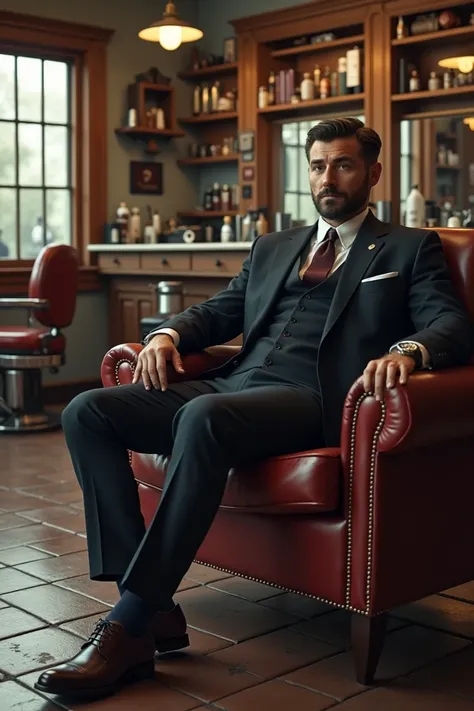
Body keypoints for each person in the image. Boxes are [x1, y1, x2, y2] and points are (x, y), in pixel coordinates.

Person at [36, 118, 473, 699]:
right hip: (234, 384)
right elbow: (221, 311)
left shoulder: (406, 247)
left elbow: (451, 323)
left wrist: (410, 350)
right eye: (317, 165)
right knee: (87, 410)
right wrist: (167, 334)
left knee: (201, 419)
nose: (328, 178)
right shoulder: (275, 245)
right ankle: (154, 601)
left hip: (313, 399)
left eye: (342, 165)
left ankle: (129, 623)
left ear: (372, 173)